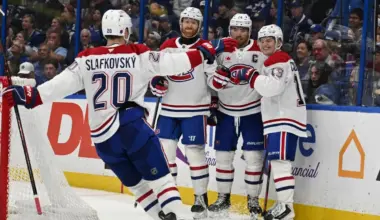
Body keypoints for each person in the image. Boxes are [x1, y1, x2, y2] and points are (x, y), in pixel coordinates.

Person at [2, 9, 217, 220]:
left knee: (138, 187)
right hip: (132, 127)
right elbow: (173, 64)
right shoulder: (137, 52)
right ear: (125, 31)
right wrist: (202, 53)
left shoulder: (86, 58)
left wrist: (29, 95)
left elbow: (59, 86)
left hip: (103, 140)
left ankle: (160, 216)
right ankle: (173, 213)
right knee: (163, 181)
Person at [149, 7, 220, 219]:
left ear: (199, 26)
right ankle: (168, 199)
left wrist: (219, 80)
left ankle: (200, 198)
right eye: (185, 21)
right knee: (165, 155)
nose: (188, 26)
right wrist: (156, 84)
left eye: (193, 22)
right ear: (180, 24)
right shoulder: (168, 46)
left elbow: (212, 79)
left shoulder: (206, 48)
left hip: (195, 110)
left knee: (195, 153)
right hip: (169, 109)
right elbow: (156, 74)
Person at [232, 24, 307, 220]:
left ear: (279, 42)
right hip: (281, 118)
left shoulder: (279, 59)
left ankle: (286, 207)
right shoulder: (274, 60)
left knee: (280, 163)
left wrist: (250, 76)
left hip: (284, 118)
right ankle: (283, 205)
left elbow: (272, 88)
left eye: (270, 40)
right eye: (262, 41)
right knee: (278, 162)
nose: (265, 44)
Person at [207, 13, 267, 220]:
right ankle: (223, 198)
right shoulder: (219, 50)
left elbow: (268, 82)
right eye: (235, 29)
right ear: (229, 30)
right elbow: (208, 80)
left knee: (254, 158)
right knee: (223, 158)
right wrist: (213, 100)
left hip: (253, 111)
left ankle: (253, 200)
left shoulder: (261, 51)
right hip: (225, 111)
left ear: (250, 31)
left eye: (243, 29)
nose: (238, 33)